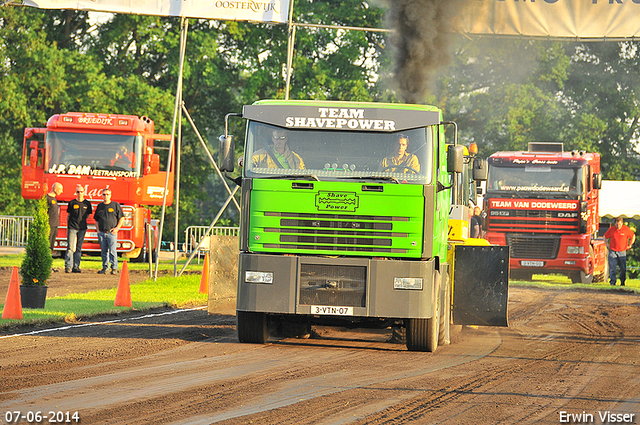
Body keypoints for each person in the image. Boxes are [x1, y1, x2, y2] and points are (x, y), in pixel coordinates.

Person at [93, 188, 124, 274]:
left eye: (107, 194)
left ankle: (114, 268)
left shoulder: (115, 205)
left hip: (111, 233)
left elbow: (121, 218)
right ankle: (105, 268)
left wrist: (117, 228)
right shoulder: (100, 206)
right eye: (104, 194)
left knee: (112, 251)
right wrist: (98, 231)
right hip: (102, 233)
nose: (106, 196)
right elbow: (96, 220)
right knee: (103, 251)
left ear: (110, 195)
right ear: (102, 195)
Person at [65, 185, 92, 273]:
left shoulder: (87, 203)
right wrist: (68, 226)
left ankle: (76, 266)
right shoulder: (72, 203)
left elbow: (88, 215)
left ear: (84, 192)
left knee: (79, 248)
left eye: (81, 192)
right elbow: (68, 215)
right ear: (76, 193)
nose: (79, 193)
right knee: (70, 247)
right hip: (72, 227)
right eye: (78, 192)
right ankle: (68, 266)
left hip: (82, 228)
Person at [604, 216, 636, 286]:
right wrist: (606, 245)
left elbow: (633, 236)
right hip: (613, 251)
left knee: (623, 268)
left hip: (622, 251)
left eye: (619, 224)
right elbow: (605, 237)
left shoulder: (626, 229)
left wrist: (630, 245)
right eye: (616, 224)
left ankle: (622, 282)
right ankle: (612, 282)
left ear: (622, 223)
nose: (618, 226)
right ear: (615, 223)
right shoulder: (612, 229)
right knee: (612, 268)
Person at [45, 182, 63, 252]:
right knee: (48, 244)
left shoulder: (54, 199)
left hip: (55, 224)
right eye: (60, 189)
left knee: (52, 244)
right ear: (55, 189)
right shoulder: (47, 198)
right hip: (50, 225)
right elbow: (44, 212)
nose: (62, 191)